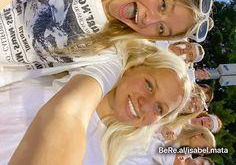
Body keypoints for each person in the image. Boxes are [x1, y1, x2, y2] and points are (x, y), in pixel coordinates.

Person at [3, 44, 192, 164]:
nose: (145, 104)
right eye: (149, 85)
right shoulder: (45, 91)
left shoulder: (119, 157)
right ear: (132, 68)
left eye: (160, 108)